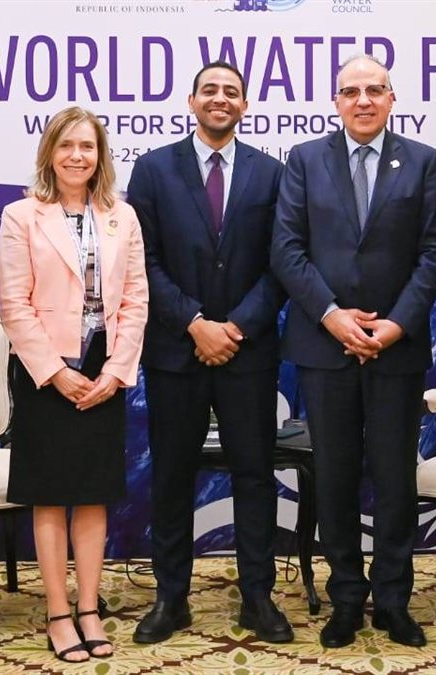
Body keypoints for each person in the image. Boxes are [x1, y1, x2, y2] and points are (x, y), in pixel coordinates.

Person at [270, 53, 436, 649]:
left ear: (392, 98)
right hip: (325, 349)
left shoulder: (422, 161)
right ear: (337, 101)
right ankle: (346, 597)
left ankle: (394, 600)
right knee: (335, 478)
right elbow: (287, 249)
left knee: (396, 480)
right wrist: (332, 316)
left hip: (396, 352)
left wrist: (395, 325)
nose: (364, 101)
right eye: (351, 91)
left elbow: (435, 251)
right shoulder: (304, 160)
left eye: (375, 90)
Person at [126, 62, 290, 644]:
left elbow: (282, 261)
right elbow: (142, 260)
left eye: (232, 92)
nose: (221, 99)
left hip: (248, 353)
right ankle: (171, 599)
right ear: (191, 101)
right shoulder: (152, 169)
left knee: (254, 476)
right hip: (176, 351)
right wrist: (195, 323)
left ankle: (257, 599)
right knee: (172, 477)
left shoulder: (272, 172)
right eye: (211, 90)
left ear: (245, 105)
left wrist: (235, 327)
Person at [0, 106, 148, 662]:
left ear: (100, 156)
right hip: (45, 371)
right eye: (66, 146)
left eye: (87, 146)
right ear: (50, 154)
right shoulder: (21, 215)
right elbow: (13, 303)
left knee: (91, 493)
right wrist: (55, 373)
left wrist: (115, 371)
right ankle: (58, 613)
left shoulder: (122, 216)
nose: (77, 156)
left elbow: (136, 300)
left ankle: (89, 608)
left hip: (103, 368)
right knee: (50, 493)